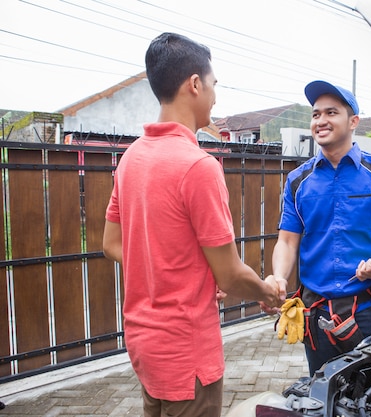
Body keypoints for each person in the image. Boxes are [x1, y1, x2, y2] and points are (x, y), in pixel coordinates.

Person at [102, 32, 283, 417]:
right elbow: (231, 275)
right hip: (186, 349)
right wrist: (268, 293)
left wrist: (187, 278)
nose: (216, 96)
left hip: (144, 343)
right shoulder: (198, 167)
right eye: (214, 85)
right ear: (195, 84)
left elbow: (112, 244)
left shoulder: (131, 158)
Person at [267, 80, 371, 376]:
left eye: (331, 113)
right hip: (317, 315)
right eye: (315, 114)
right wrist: (278, 277)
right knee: (324, 394)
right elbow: (287, 241)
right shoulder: (298, 181)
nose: (321, 121)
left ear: (353, 122)